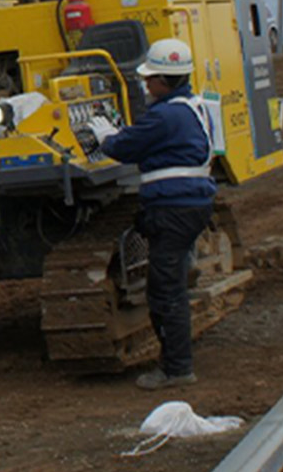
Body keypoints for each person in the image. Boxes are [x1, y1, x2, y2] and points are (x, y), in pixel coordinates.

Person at [88, 37, 218, 390]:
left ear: (164, 80)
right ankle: (176, 362)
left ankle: (177, 368)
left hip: (174, 208)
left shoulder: (165, 115)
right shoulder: (193, 105)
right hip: (189, 204)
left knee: (165, 293)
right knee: (169, 285)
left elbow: (123, 147)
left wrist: (105, 137)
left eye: (150, 79)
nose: (146, 85)